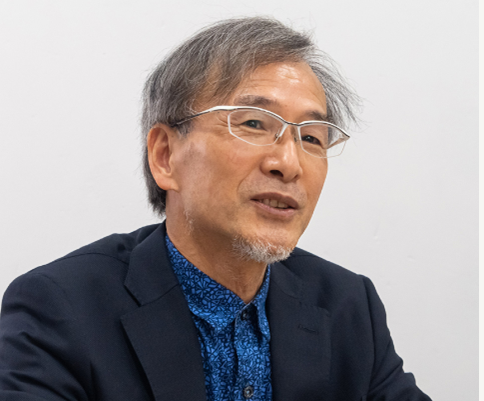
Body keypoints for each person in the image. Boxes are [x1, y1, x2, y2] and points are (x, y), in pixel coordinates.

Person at [0, 17, 431, 401]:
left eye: (312, 137)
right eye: (254, 123)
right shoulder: (60, 307)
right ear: (166, 156)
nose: (289, 163)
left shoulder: (348, 306)